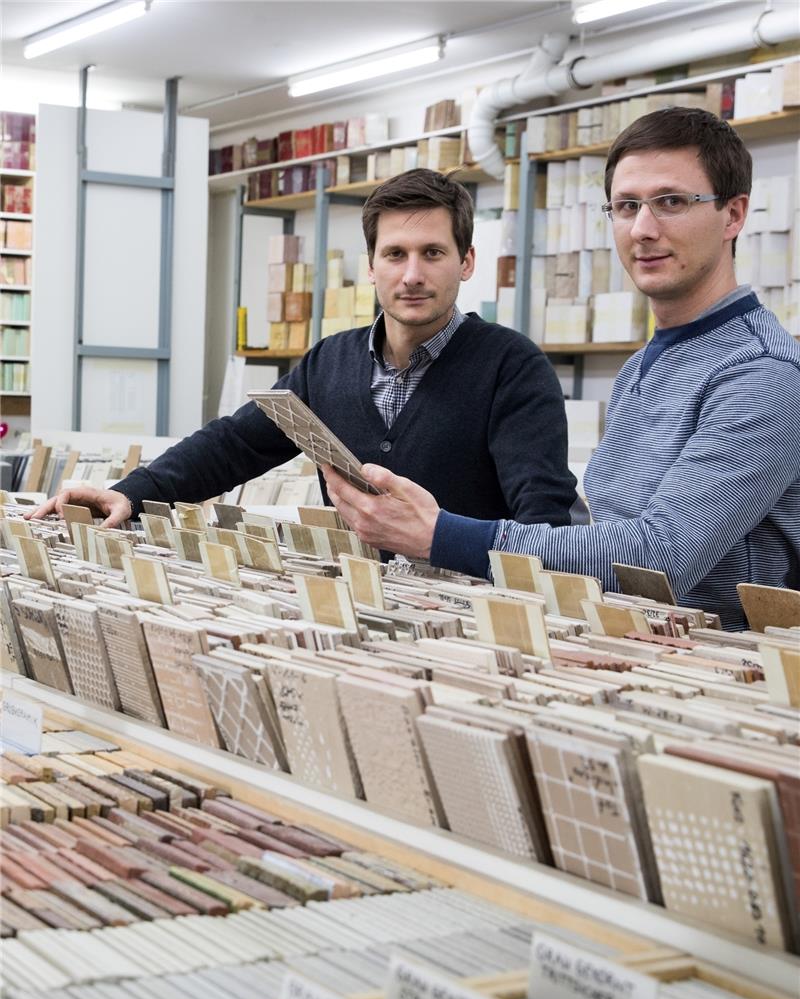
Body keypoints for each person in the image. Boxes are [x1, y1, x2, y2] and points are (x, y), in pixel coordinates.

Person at [323, 108, 800, 630]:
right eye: (626, 206)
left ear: (733, 215)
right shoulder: (644, 365)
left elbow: (659, 558)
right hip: (635, 647)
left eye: (672, 202)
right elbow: (608, 530)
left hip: (728, 679)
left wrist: (440, 534)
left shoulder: (763, 374)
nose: (642, 229)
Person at [29, 169, 580, 539]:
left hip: (474, 626)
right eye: (395, 254)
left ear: (466, 262)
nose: (412, 274)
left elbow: (545, 523)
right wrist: (128, 493)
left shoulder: (513, 367)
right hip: (359, 612)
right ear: (371, 266)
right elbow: (235, 445)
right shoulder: (330, 363)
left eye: (432, 252)